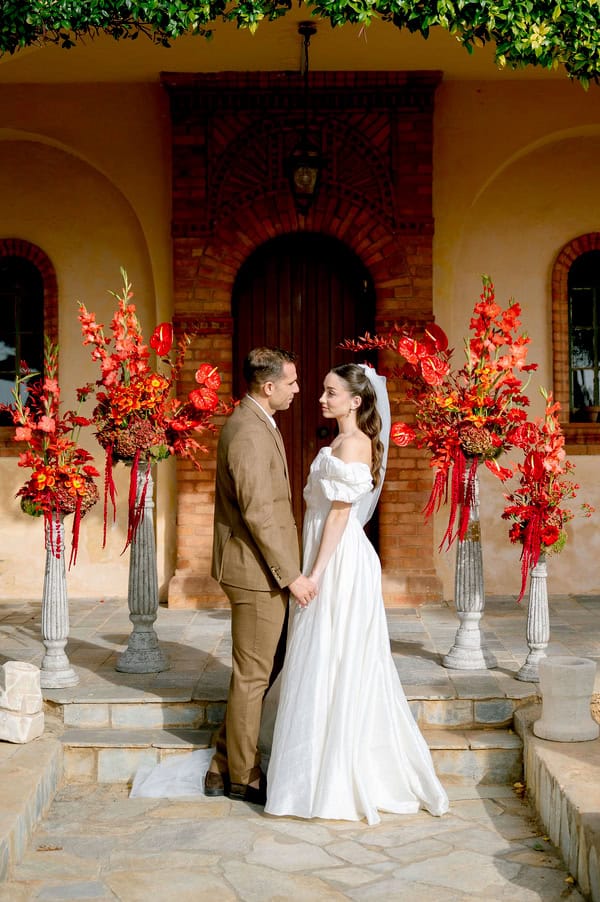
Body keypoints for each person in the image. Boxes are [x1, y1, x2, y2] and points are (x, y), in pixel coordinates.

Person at [261, 363, 449, 825]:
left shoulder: (356, 444)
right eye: (323, 391)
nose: (321, 399)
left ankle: (336, 771)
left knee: (337, 654)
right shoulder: (339, 443)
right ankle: (312, 763)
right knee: (322, 655)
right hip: (326, 554)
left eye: (330, 392)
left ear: (356, 401)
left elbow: (342, 516)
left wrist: (316, 575)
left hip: (339, 563)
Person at [204, 347, 317, 805]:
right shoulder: (249, 432)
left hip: (261, 569)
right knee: (253, 676)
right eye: (290, 382)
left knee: (264, 669)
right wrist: (290, 575)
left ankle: (221, 764)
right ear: (268, 387)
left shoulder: (257, 421)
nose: (296, 389)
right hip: (255, 572)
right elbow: (257, 512)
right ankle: (242, 776)